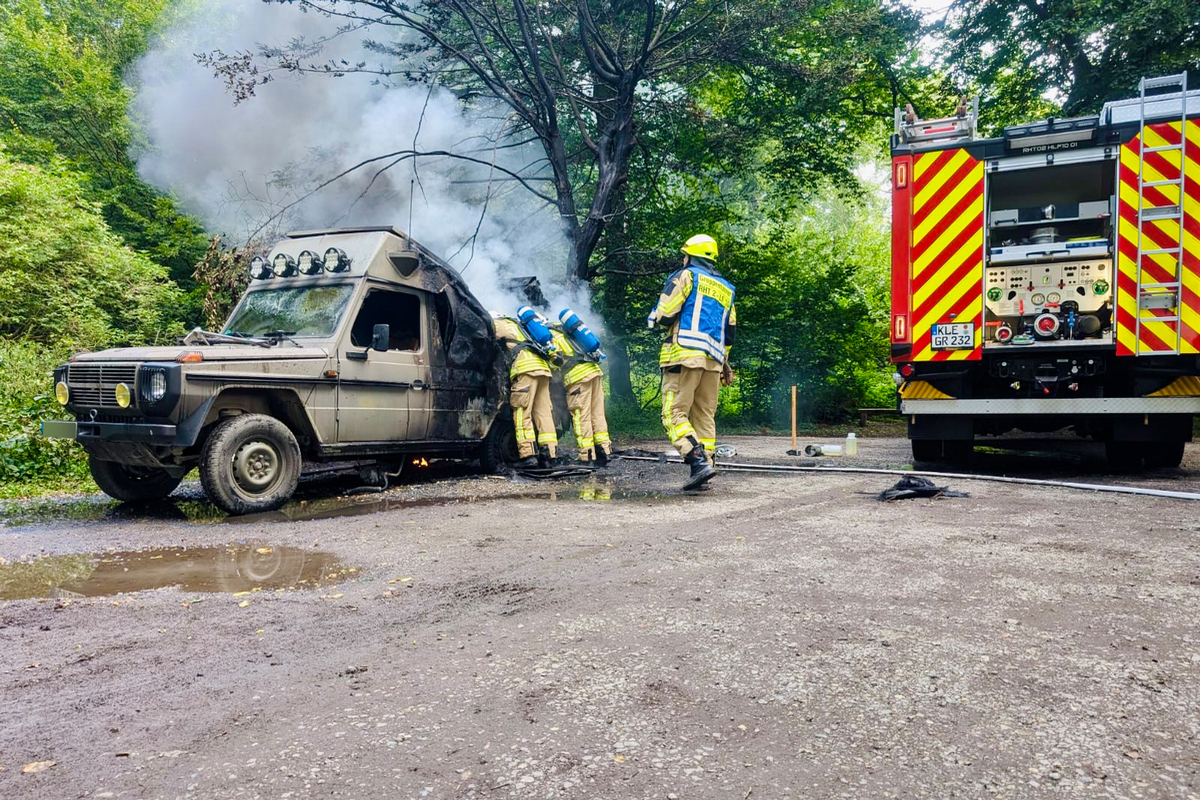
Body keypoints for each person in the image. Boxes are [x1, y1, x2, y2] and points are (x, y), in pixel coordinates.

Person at [646, 234, 737, 490]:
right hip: (714, 361)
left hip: (683, 355)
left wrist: (654, 318)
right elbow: (729, 332)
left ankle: (697, 462)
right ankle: (706, 470)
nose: (683, 259)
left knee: (674, 413)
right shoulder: (727, 288)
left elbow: (666, 313)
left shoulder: (686, 275)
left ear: (690, 256)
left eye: (684, 255)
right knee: (704, 416)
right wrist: (725, 365)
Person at [492, 313, 559, 468]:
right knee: (543, 413)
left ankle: (528, 455)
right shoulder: (524, 327)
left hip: (525, 370)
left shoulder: (500, 324)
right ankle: (549, 455)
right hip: (542, 370)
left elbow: (483, 335)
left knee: (522, 412)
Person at [549, 315, 612, 466]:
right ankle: (604, 452)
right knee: (597, 413)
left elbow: (555, 359)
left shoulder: (551, 335)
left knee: (580, 415)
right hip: (595, 371)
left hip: (578, 378)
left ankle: (586, 456)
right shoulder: (570, 331)